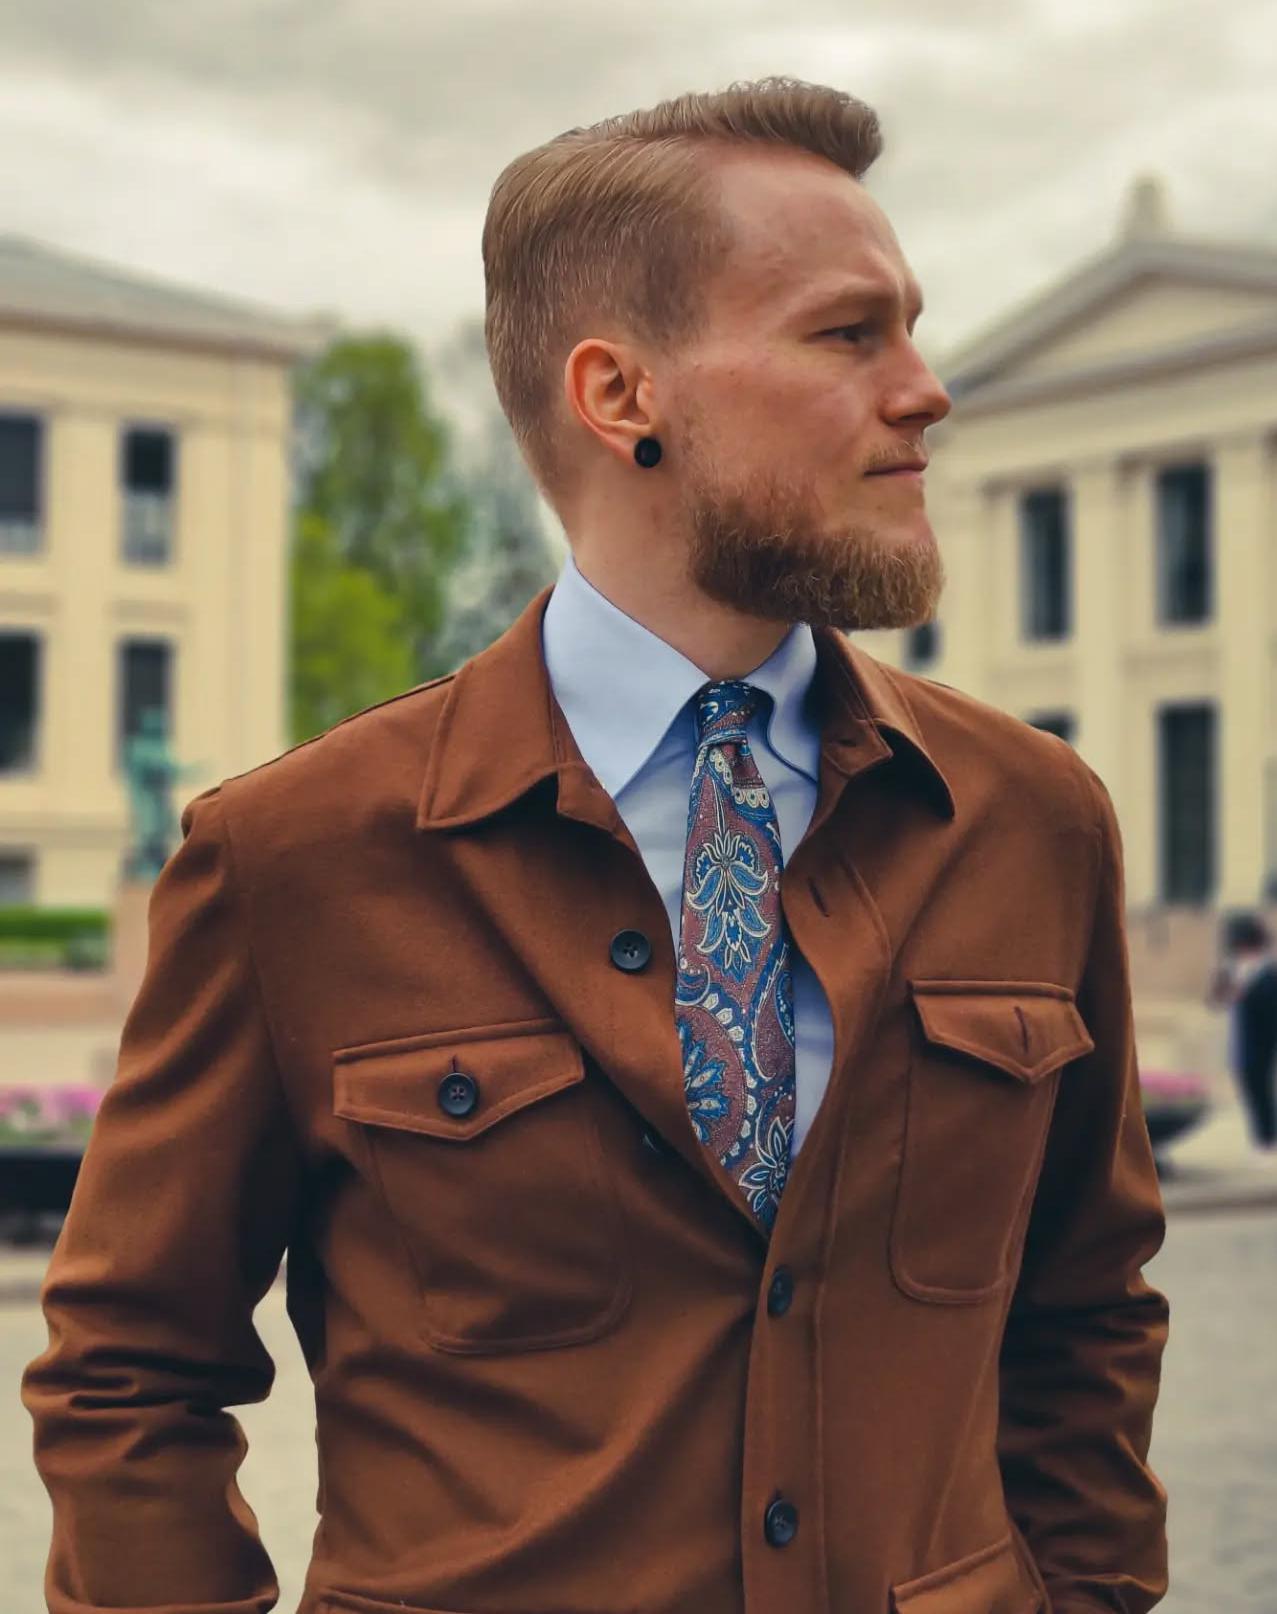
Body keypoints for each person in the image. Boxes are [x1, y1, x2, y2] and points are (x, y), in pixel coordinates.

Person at [21, 76, 1169, 1614]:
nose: (925, 388)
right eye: (847, 334)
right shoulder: (292, 859)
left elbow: (1086, 1308)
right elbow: (127, 1377)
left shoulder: (1034, 822)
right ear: (620, 396)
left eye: (912, 325)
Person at [1207, 912, 1277, 1163]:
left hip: (1262, 1041)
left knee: (1260, 1089)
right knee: (1251, 1088)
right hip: (1240, 1040)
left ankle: (1267, 1141)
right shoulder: (1234, 970)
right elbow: (1214, 1001)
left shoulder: (1267, 972)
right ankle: (1263, 1140)